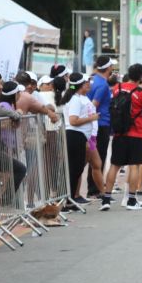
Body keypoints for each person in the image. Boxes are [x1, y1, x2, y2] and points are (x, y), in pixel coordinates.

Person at [99, 63, 142, 211]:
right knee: (134, 165)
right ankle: (131, 200)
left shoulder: (117, 89)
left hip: (119, 133)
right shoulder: (141, 93)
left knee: (115, 165)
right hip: (137, 133)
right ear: (141, 76)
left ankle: (106, 199)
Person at [60, 73, 98, 209]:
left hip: (78, 136)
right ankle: (67, 201)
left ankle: (69, 199)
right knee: (74, 169)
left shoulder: (78, 98)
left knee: (75, 169)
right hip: (75, 136)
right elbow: (73, 121)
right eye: (86, 82)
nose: (88, 84)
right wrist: (91, 118)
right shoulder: (75, 99)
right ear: (81, 85)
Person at [85, 55, 115, 197]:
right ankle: (94, 189)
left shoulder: (92, 80)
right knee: (98, 158)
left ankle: (93, 187)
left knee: (92, 158)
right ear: (108, 67)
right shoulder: (102, 84)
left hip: (93, 123)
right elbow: (94, 105)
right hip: (100, 124)